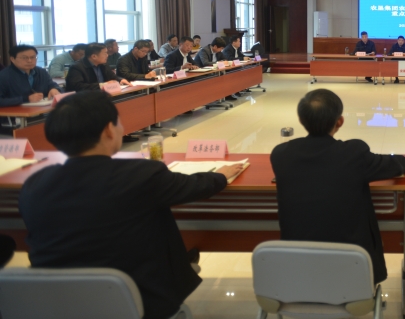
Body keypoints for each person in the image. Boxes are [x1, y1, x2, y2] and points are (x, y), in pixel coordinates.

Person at [19, 91, 243, 319]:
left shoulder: (34, 185)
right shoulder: (140, 175)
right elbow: (193, 186)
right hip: (137, 301)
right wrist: (221, 175)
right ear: (109, 130)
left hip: (55, 305)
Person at [271, 89, 405, 283]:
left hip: (298, 273)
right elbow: (388, 165)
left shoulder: (281, 154)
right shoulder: (353, 153)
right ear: (340, 121)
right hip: (354, 274)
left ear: (301, 120)